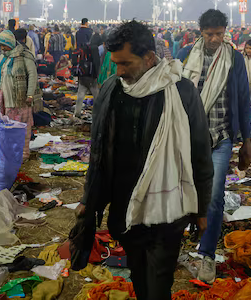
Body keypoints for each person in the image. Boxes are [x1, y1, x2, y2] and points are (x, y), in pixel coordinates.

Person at [74, 20, 213, 300]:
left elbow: (200, 152)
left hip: (168, 208)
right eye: (115, 63)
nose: (119, 71)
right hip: (125, 204)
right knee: (137, 271)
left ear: (149, 58)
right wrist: (89, 198)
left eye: (125, 63)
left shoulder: (182, 92)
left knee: (159, 279)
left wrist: (201, 208)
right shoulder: (113, 89)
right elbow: (98, 150)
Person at [177, 9, 251, 284]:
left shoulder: (234, 58)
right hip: (187, 138)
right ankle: (180, 242)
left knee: (214, 197)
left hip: (220, 138)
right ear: (201, 33)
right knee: (182, 191)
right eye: (209, 34)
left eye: (219, 34)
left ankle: (207, 255)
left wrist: (247, 140)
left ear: (224, 32)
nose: (214, 39)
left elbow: (244, 99)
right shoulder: (187, 55)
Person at [0, 31, 37, 160]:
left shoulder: (24, 56)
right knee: (7, 129)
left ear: (10, 42)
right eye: (0, 45)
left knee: (22, 129)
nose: (2, 48)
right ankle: (10, 154)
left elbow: (33, 75)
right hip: (5, 100)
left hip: (20, 101)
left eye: (4, 45)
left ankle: (23, 154)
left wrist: (30, 95)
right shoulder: (2, 58)